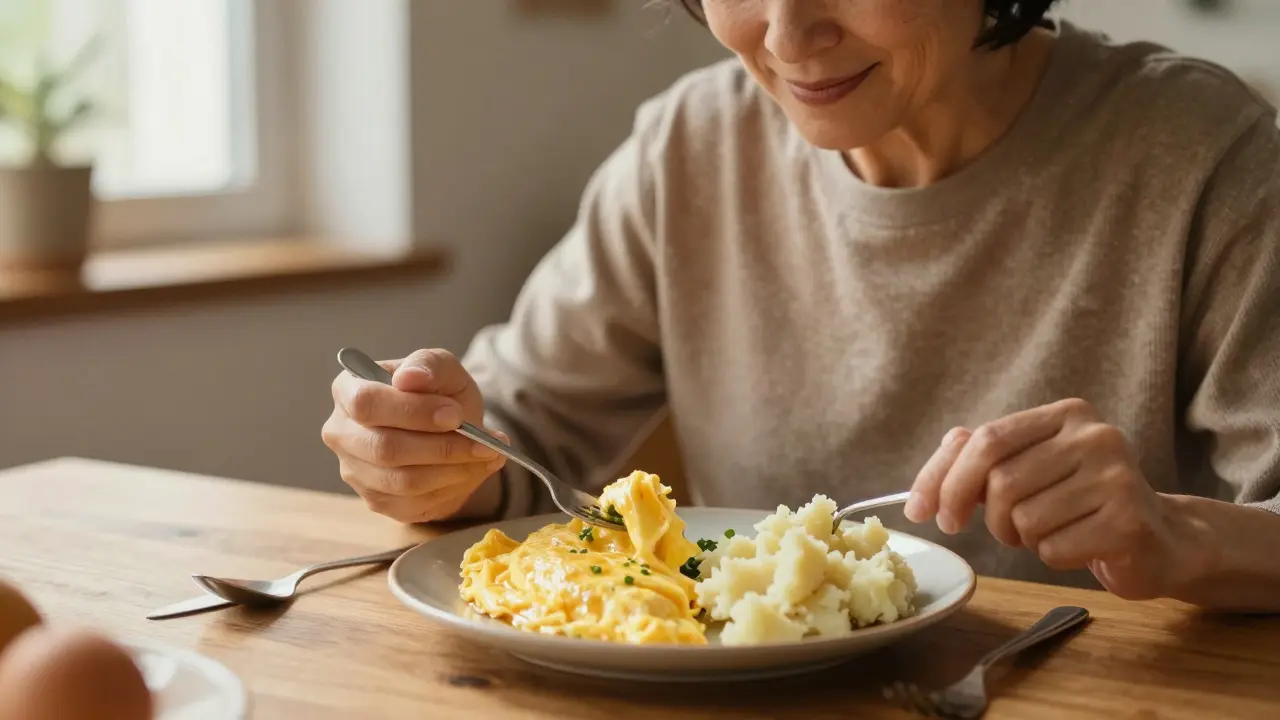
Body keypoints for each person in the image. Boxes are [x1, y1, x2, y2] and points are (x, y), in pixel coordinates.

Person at [321, 0, 1280, 612]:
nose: (786, 37)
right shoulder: (688, 150)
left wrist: (1181, 535)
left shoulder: (1206, 157)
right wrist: (437, 456)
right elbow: (524, 438)